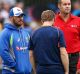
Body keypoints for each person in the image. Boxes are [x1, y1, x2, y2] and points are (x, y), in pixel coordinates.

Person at [29, 10, 69, 74]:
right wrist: (67, 71)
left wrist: (35, 70)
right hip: (57, 70)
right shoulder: (58, 32)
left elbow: (31, 55)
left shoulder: (33, 33)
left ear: (42, 21)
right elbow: (63, 53)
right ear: (53, 19)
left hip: (41, 69)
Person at [0, 7, 32, 74]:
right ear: (11, 18)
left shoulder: (26, 33)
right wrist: (14, 66)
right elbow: (3, 52)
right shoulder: (5, 33)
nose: (21, 18)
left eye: (22, 16)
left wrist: (29, 67)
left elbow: (30, 51)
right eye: (18, 16)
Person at [54, 0, 80, 74]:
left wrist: (79, 65)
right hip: (58, 58)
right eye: (65, 4)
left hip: (74, 60)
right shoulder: (53, 20)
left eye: (69, 4)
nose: (67, 6)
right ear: (59, 6)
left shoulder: (78, 20)